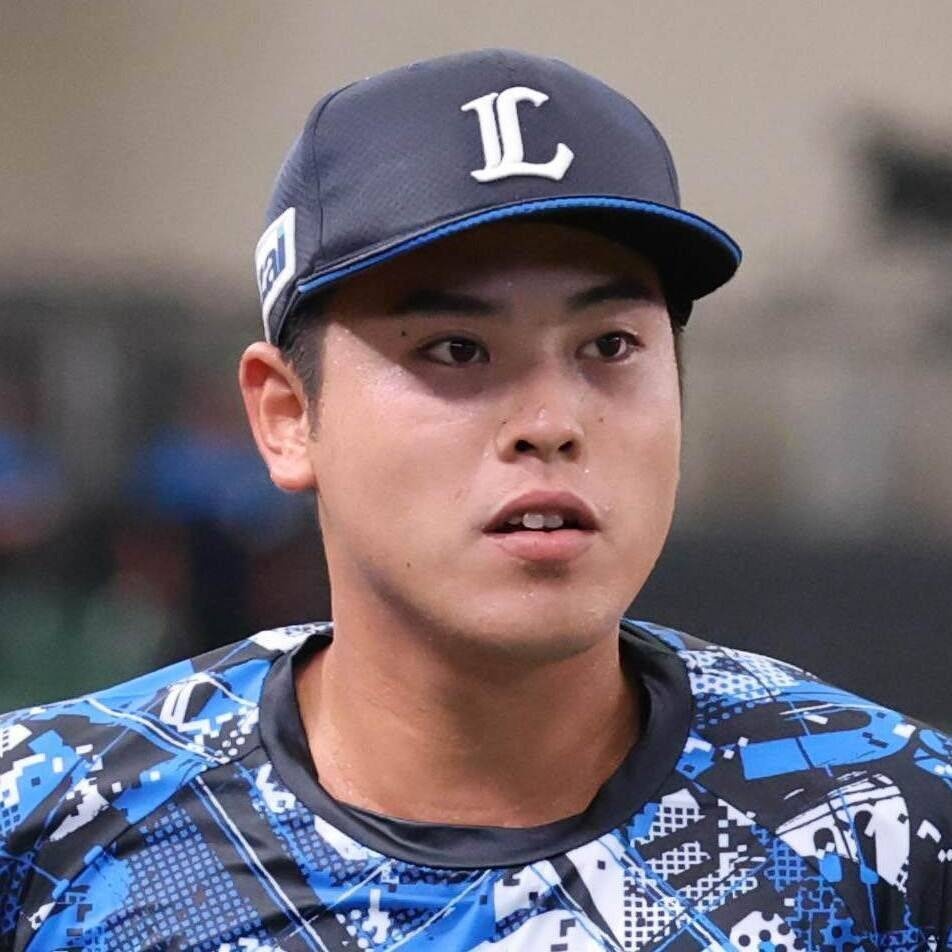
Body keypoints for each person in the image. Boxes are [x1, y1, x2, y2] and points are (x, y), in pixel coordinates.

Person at [1, 48, 948, 952]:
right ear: (288, 417)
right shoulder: (49, 820)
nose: (551, 422)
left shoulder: (887, 829)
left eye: (611, 346)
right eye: (455, 350)